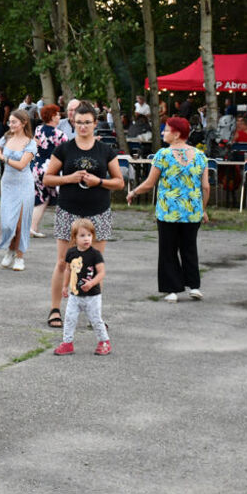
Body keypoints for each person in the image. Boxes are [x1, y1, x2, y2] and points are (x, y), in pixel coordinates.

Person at [42, 101, 124, 329]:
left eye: (87, 123)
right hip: (68, 211)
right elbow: (47, 178)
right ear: (73, 122)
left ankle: (93, 314)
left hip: (98, 213)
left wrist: (98, 181)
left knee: (94, 264)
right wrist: (69, 178)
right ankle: (55, 309)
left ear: (95, 123)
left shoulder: (105, 150)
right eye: (79, 123)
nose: (83, 127)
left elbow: (119, 182)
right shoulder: (64, 149)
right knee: (62, 263)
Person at [126, 117, 210, 302]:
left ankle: (172, 289)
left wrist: (133, 192)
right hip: (192, 211)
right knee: (189, 248)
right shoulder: (200, 156)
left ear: (177, 134)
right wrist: (203, 209)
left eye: (167, 130)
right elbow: (206, 187)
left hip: (168, 211)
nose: (163, 132)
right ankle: (194, 286)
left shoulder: (163, 155)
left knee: (168, 249)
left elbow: (149, 183)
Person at [0, 109, 36, 271]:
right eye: (10, 122)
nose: (10, 125)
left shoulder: (30, 143)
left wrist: (3, 158)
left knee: (20, 224)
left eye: (14, 122)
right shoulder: (5, 138)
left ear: (24, 123)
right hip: (7, 184)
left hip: (24, 185)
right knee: (7, 223)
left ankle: (19, 257)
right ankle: (10, 249)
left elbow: (21, 165)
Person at [52, 219, 111, 356]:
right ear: (74, 238)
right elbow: (68, 270)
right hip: (75, 295)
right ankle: (67, 343)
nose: (86, 239)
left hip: (92, 296)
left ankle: (104, 342)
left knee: (96, 320)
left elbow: (102, 272)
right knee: (69, 319)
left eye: (89, 235)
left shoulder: (95, 254)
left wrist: (91, 283)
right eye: (82, 235)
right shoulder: (71, 253)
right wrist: (65, 286)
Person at [30, 103, 67, 238]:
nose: (59, 116)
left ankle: (32, 227)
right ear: (52, 116)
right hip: (51, 169)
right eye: (57, 114)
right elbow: (66, 151)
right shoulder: (60, 135)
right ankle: (65, 228)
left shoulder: (38, 129)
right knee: (62, 198)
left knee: (42, 197)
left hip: (37, 167)